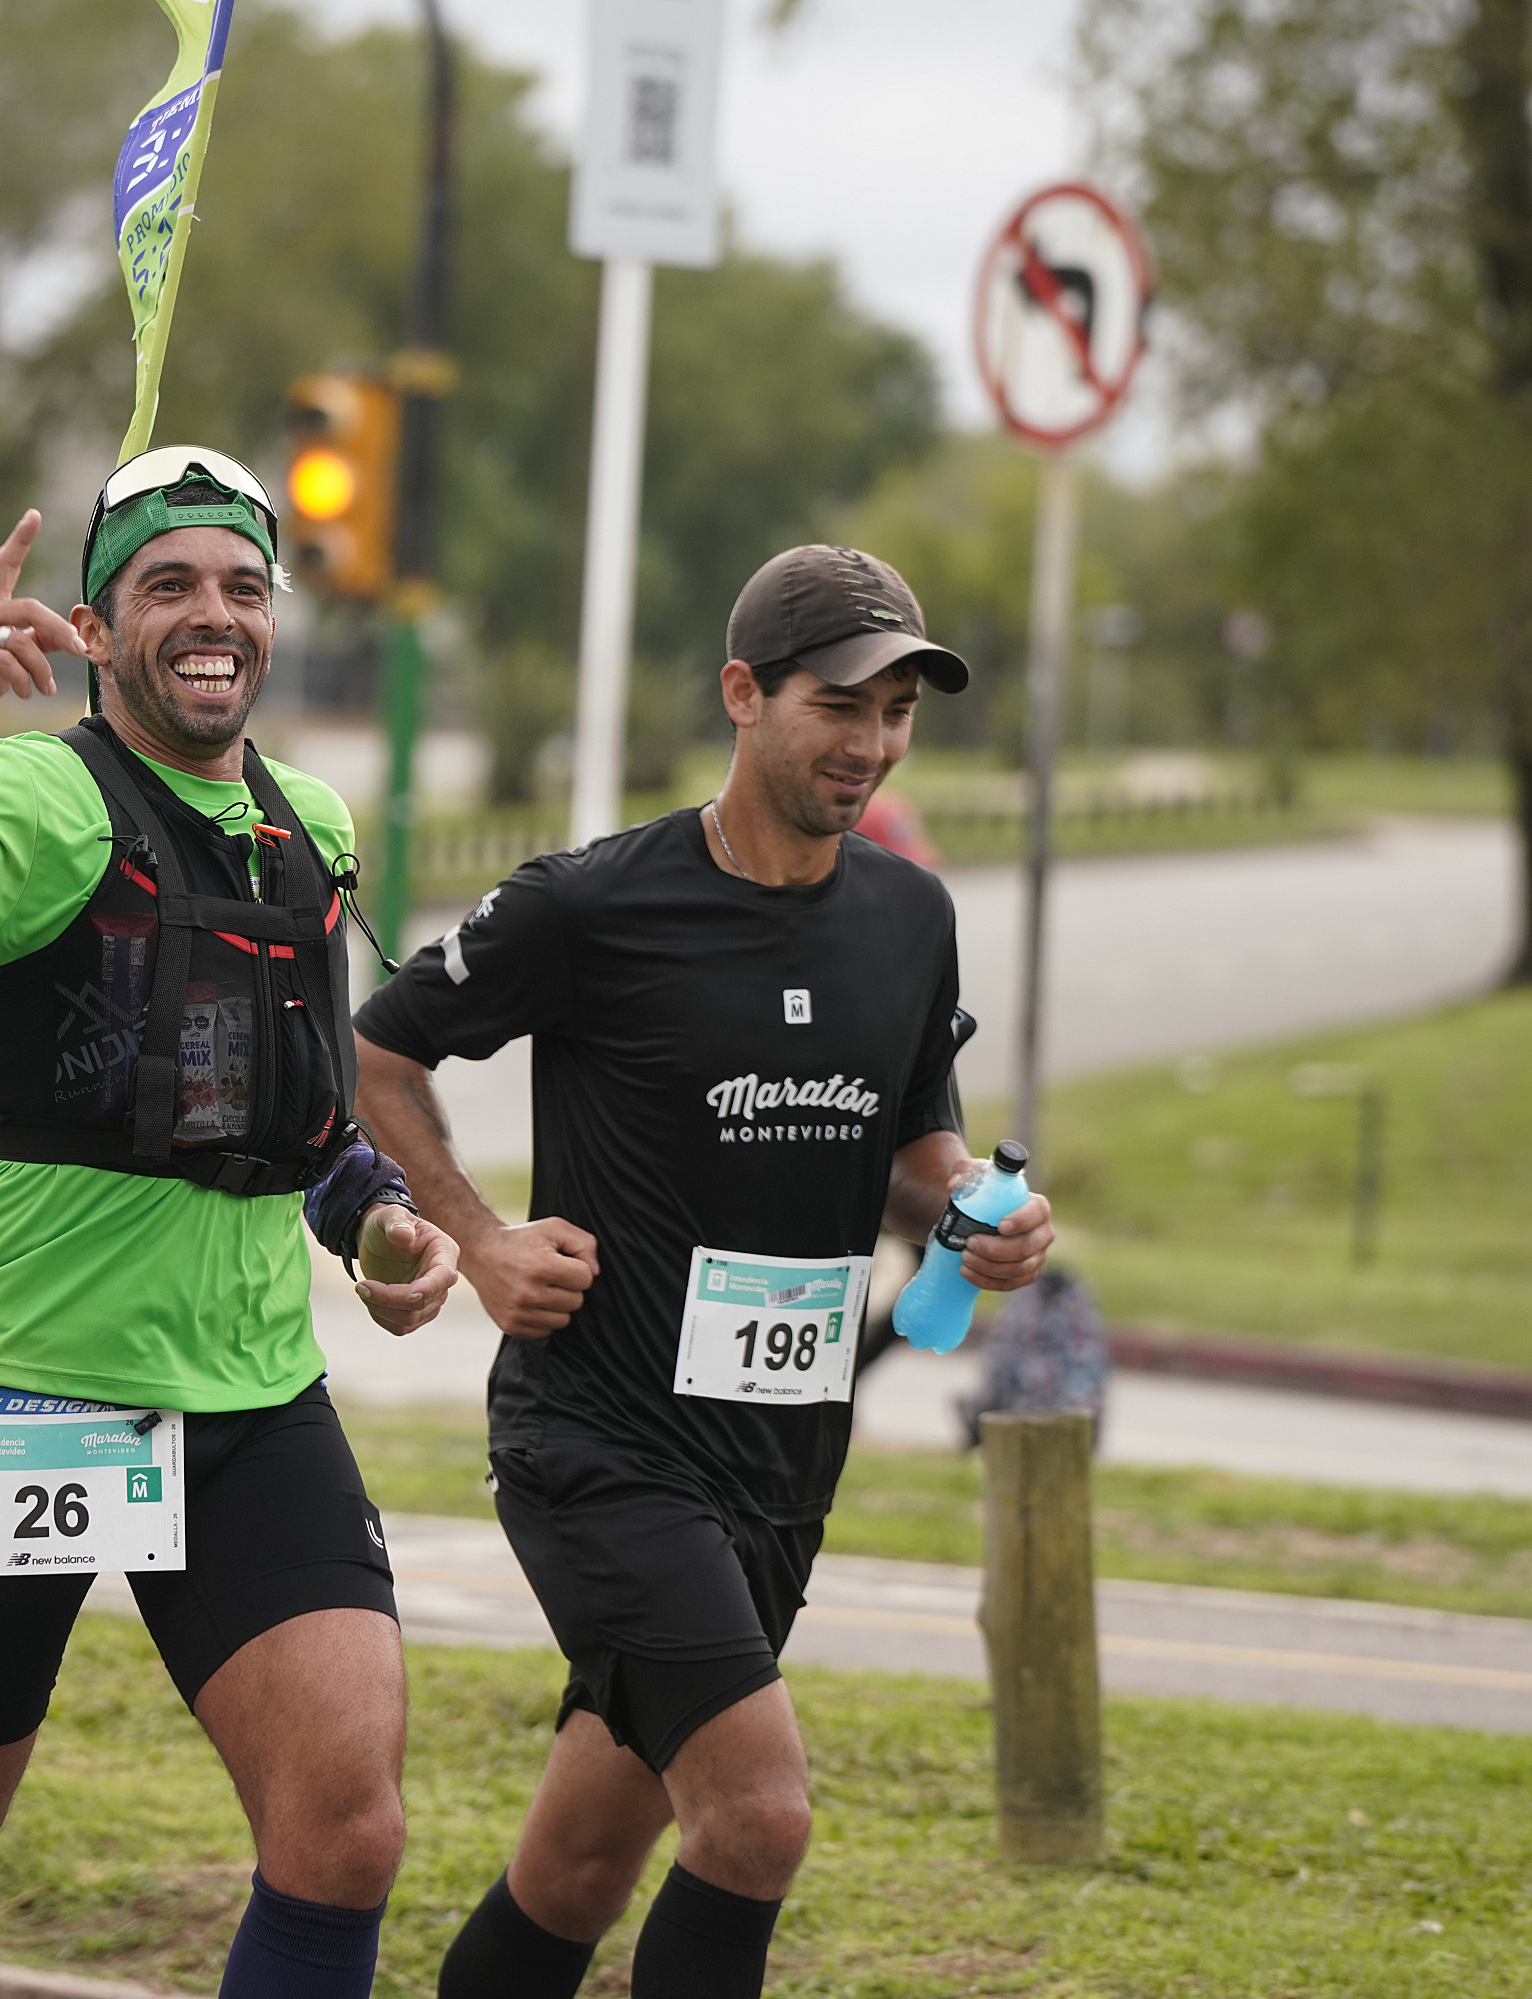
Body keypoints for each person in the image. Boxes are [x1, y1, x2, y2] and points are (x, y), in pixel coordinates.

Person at [0, 447, 459, 1999]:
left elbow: (308, 1115)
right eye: (171, 586)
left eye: (244, 587)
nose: (215, 617)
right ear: (94, 620)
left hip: (254, 1398)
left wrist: (379, 1222)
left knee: (344, 1832)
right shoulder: (30, 793)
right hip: (25, 1398)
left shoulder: (308, 820)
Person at [352, 544, 1058, 1998]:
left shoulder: (908, 917)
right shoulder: (590, 906)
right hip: (598, 1440)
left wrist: (979, 1215)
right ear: (743, 694)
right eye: (838, 705)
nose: (870, 745)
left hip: (785, 1456)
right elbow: (371, 1052)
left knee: (580, 1866)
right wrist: (480, 1240)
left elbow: (911, 1142)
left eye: (899, 713)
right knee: (756, 1818)